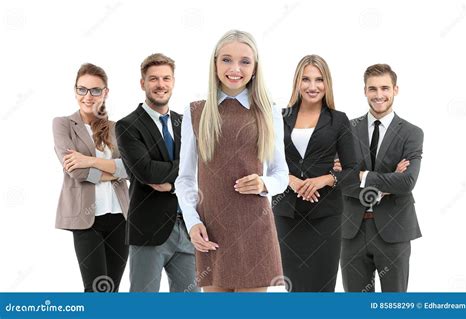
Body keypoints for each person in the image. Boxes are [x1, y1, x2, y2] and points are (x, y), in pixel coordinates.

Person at [175, 30, 289, 292]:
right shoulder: (196, 111)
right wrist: (192, 222)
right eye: (226, 59)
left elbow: (281, 173)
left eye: (245, 61)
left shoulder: (268, 110)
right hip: (211, 232)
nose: (235, 68)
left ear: (255, 67)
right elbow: (185, 178)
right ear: (215, 63)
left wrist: (264, 183)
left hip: (255, 231)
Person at [271, 55, 357, 292]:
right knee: (294, 288)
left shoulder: (338, 120)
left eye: (319, 79)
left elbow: (353, 169)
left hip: (325, 217)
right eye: (306, 79)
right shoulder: (279, 117)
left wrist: (325, 179)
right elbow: (265, 162)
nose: (312, 86)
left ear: (327, 83)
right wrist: (290, 180)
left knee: (322, 288)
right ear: (297, 82)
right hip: (287, 214)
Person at [115, 53, 197, 292]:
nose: (161, 85)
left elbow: (202, 169)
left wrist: (172, 184)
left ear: (173, 82)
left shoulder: (187, 123)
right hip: (149, 232)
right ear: (143, 83)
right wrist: (184, 170)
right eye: (153, 79)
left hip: (189, 229)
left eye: (166, 78)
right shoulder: (128, 125)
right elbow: (147, 172)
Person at [340, 63, 423, 292]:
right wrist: (386, 183)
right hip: (351, 232)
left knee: (393, 307)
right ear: (364, 91)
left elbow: (407, 182)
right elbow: (339, 182)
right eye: (372, 89)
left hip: (394, 231)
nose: (379, 95)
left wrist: (362, 175)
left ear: (395, 89)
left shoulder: (411, 133)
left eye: (385, 88)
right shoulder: (346, 129)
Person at [52, 63, 129, 292]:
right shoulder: (63, 124)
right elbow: (75, 172)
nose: (88, 96)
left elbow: (132, 170)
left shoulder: (117, 128)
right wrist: (113, 172)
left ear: (105, 93)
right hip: (87, 220)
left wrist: (90, 160)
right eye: (82, 89)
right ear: (75, 90)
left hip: (120, 217)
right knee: (96, 291)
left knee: (112, 290)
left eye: (96, 90)